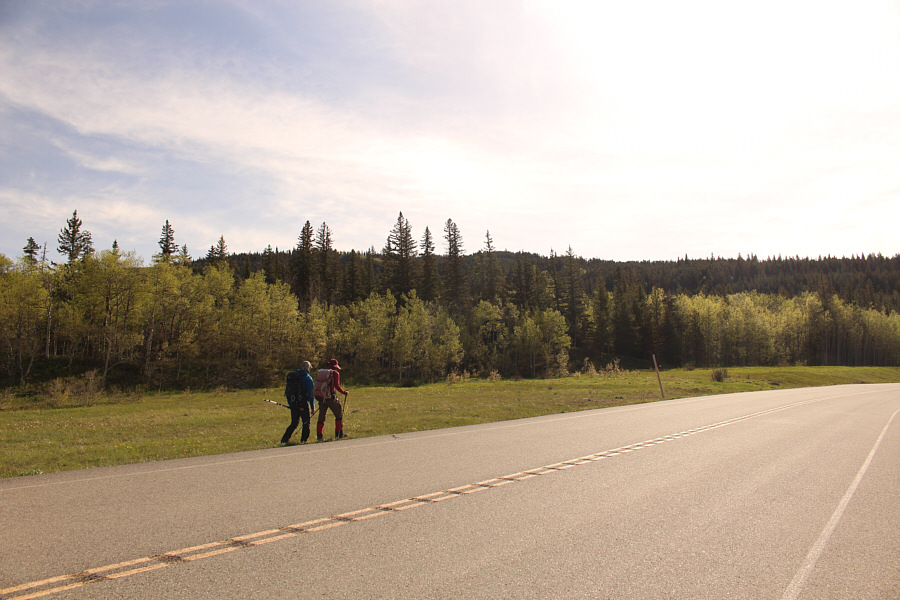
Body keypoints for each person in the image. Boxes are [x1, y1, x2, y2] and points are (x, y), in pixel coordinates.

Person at [314, 358, 349, 441]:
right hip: (330, 397)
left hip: (321, 397)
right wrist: (344, 392)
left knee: (321, 417)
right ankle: (338, 434)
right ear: (335, 366)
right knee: (339, 414)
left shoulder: (321, 373)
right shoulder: (335, 373)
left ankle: (319, 436)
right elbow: (337, 386)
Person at [281, 361, 315, 444]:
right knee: (306, 422)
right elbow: (311, 395)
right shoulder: (308, 378)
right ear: (308, 368)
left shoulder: (293, 376)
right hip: (303, 403)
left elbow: (288, 392)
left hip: (293, 402)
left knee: (294, 423)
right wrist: (312, 406)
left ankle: (284, 440)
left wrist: (291, 404)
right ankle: (304, 440)